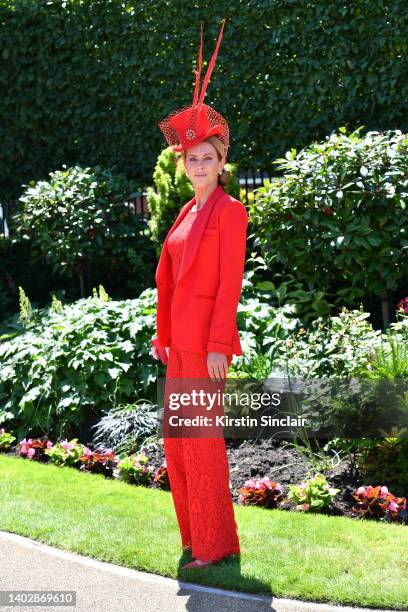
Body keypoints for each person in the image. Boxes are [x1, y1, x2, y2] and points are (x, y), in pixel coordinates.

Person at [151, 18, 248, 570]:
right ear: (183, 165)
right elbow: (168, 281)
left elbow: (227, 285)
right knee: (181, 448)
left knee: (204, 448)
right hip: (177, 348)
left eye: (208, 157)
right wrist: (164, 338)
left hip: (205, 351)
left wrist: (217, 346)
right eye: (192, 158)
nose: (200, 165)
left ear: (221, 162)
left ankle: (214, 549)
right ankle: (198, 539)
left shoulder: (230, 212)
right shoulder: (186, 210)